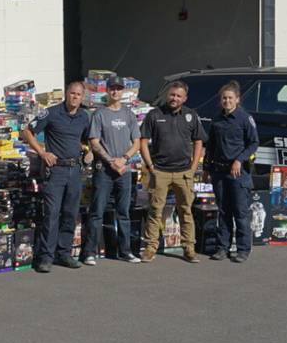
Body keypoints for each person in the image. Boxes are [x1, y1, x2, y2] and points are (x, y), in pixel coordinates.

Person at [21, 81, 90, 273]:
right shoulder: (51, 113)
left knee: (70, 213)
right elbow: (27, 131)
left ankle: (64, 253)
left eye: (78, 95)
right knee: (51, 214)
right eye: (72, 93)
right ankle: (45, 257)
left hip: (75, 170)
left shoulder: (84, 117)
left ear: (82, 97)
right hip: (56, 170)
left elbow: (88, 139)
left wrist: (88, 151)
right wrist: (42, 153)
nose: (75, 97)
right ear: (66, 94)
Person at [139, 80, 206, 263]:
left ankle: (189, 249)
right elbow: (143, 141)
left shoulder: (191, 116)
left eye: (178, 96)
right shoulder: (155, 114)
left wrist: (193, 166)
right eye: (172, 94)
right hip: (159, 171)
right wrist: (150, 166)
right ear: (167, 95)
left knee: (185, 211)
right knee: (155, 211)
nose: (174, 98)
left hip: (184, 172)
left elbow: (199, 141)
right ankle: (150, 248)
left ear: (185, 98)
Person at [81, 75, 142, 265]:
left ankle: (126, 251)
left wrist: (123, 159)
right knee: (97, 211)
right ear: (107, 91)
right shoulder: (99, 114)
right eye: (112, 88)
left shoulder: (129, 114)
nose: (115, 91)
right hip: (104, 171)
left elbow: (137, 142)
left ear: (123, 91)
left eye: (119, 88)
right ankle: (89, 252)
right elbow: (94, 142)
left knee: (123, 212)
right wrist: (110, 161)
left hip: (124, 170)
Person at [204, 80, 259, 262]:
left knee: (240, 212)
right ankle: (222, 248)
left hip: (238, 173)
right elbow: (210, 145)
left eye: (230, 98)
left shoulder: (244, 119)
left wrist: (239, 160)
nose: (227, 101)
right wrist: (206, 167)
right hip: (219, 172)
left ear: (237, 99)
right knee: (223, 212)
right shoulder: (217, 119)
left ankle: (243, 249)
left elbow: (254, 143)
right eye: (224, 98)